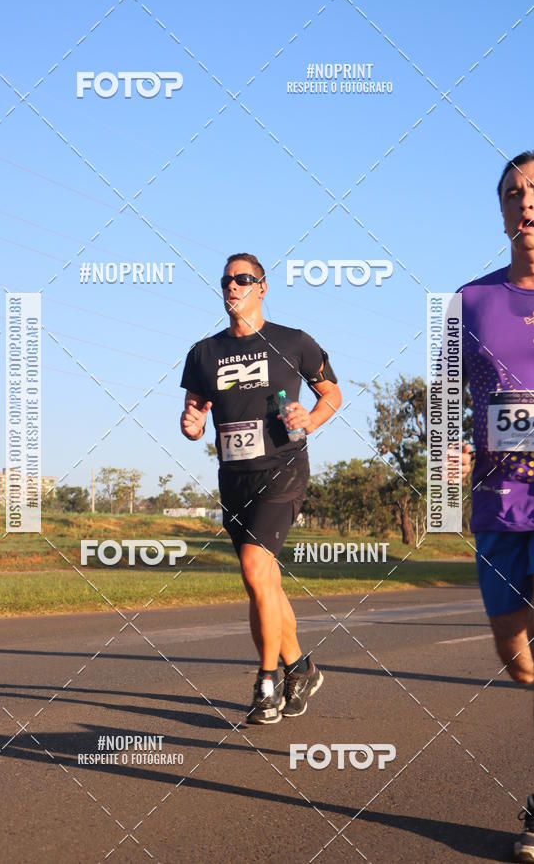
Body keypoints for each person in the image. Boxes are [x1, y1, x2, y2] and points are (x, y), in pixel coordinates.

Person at [180, 253, 341, 724]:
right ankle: (301, 667)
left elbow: (331, 392)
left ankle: (266, 680)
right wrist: (192, 424)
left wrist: (310, 418)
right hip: (234, 478)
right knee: (262, 582)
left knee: (254, 567)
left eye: (243, 279)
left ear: (263, 287)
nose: (233, 286)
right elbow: (193, 417)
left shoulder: (293, 342)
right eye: (226, 280)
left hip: (283, 471)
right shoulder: (203, 353)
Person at [459, 151, 534, 862]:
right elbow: (458, 403)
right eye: (513, 193)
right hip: (499, 507)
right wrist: (455, 447)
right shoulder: (471, 302)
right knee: (517, 661)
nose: (526, 203)